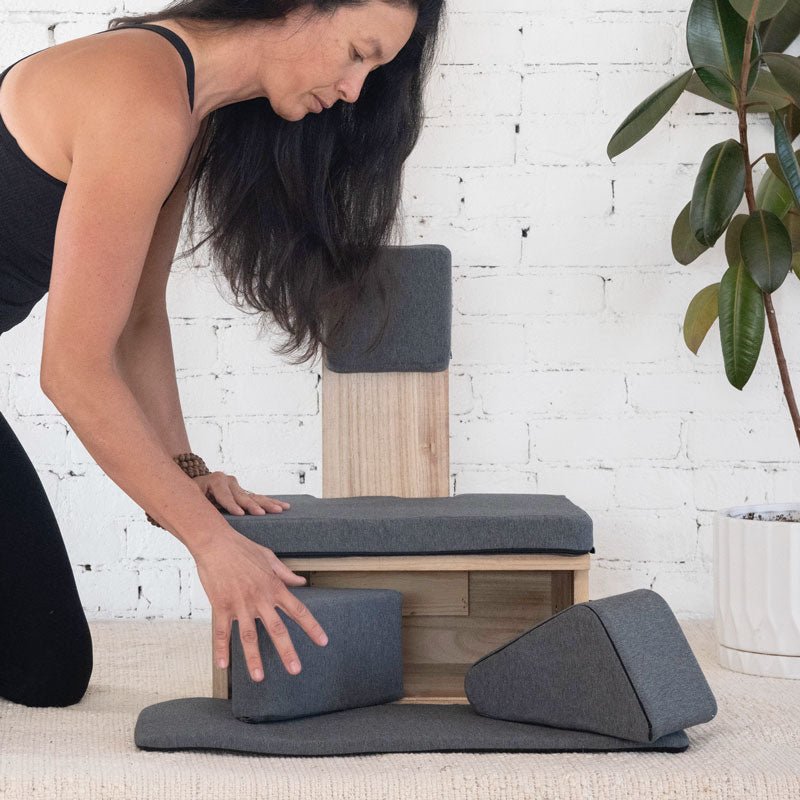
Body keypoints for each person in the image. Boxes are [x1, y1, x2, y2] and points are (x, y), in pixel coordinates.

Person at [0, 0, 446, 707]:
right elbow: (74, 372)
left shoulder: (182, 110)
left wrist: (188, 472)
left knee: (48, 669)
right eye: (358, 52)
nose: (355, 90)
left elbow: (137, 320)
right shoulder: (139, 97)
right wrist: (211, 543)